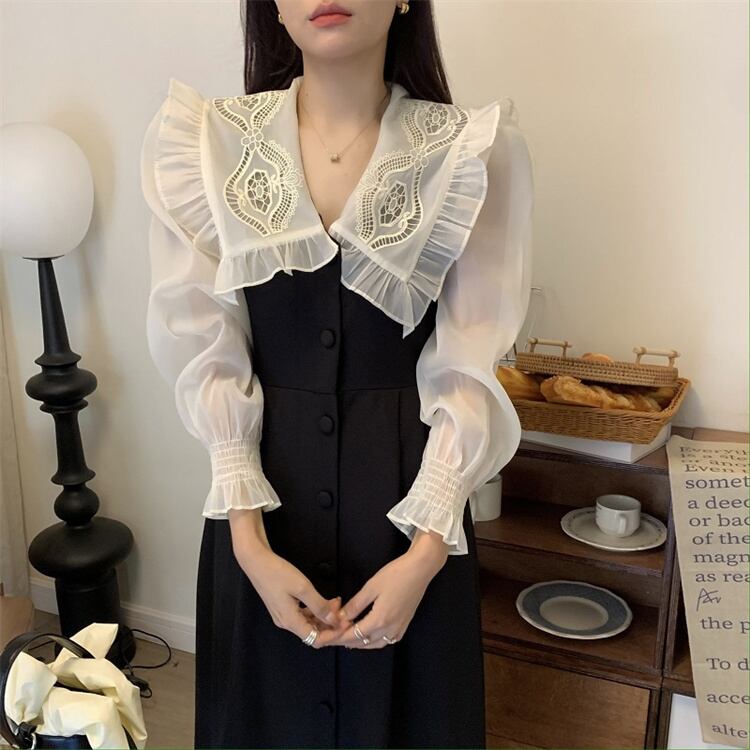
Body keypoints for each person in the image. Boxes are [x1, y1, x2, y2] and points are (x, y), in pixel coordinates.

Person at [140, 0, 533, 746]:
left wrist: (425, 556)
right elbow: (205, 346)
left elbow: (470, 364)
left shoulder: (471, 153)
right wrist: (249, 546)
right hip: (260, 511)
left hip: (413, 521)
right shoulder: (205, 145)